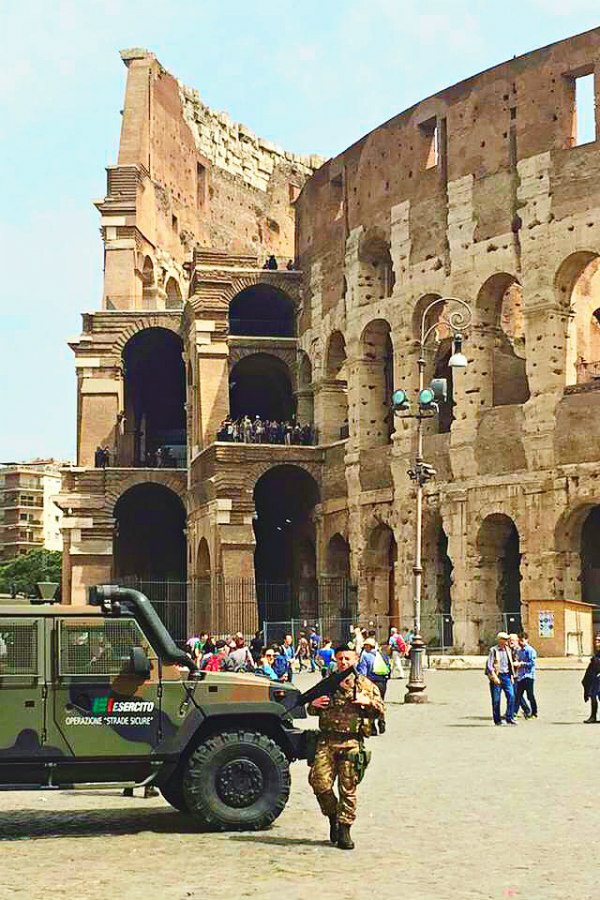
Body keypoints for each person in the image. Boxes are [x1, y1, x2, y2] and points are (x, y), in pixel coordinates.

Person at [308, 643, 385, 850]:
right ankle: (333, 815)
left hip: (351, 742)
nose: (343, 663)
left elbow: (381, 709)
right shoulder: (327, 684)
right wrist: (313, 705)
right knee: (320, 783)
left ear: (356, 660)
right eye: (340, 659)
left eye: (347, 659)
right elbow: (310, 707)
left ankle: (344, 829)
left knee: (348, 789)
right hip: (327, 741)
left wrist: (368, 703)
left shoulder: (365, 686)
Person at [486, 631, 516, 726]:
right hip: (497, 676)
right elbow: (489, 665)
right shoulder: (493, 650)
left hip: (506, 675)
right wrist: (494, 677)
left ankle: (509, 717)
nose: (507, 641)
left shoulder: (508, 650)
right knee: (496, 699)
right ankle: (497, 720)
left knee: (511, 696)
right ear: (500, 640)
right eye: (505, 639)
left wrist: (511, 676)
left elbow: (510, 663)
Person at [514, 632, 538, 719]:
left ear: (526, 640)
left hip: (528, 676)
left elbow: (532, 663)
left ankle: (534, 712)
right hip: (520, 676)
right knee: (518, 695)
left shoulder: (530, 650)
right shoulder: (519, 651)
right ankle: (514, 713)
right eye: (519, 640)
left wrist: (521, 664)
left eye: (522, 640)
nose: (520, 642)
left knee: (530, 695)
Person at [582, 633, 600, 723]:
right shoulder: (597, 653)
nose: (597, 643)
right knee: (593, 696)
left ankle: (593, 717)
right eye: (596, 640)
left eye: (599, 641)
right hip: (595, 679)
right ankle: (593, 716)